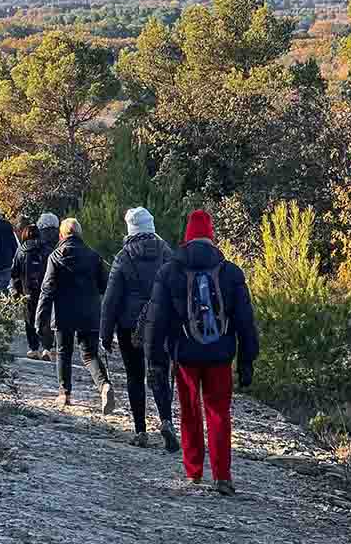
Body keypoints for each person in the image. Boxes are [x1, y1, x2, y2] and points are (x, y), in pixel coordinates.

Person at [145, 210, 259, 495]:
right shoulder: (231, 272)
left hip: (184, 354)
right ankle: (222, 476)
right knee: (219, 412)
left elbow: (156, 319)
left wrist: (155, 359)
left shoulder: (169, 271)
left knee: (190, 411)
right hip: (220, 354)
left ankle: (194, 471)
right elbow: (245, 320)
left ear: (186, 235)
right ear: (211, 235)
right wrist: (247, 359)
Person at [101, 207, 179, 451]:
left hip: (129, 326)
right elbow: (177, 289)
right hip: (160, 323)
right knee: (159, 372)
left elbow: (111, 299)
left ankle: (140, 431)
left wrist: (105, 333)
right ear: (151, 226)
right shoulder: (166, 253)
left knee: (134, 376)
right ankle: (166, 420)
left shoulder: (124, 257)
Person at [36, 218, 115, 414]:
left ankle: (65, 394)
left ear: (61, 235)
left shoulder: (55, 257)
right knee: (90, 355)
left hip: (64, 313)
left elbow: (47, 290)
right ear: (80, 234)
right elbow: (105, 285)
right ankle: (104, 385)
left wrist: (41, 318)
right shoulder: (94, 256)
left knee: (64, 352)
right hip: (90, 312)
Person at [11, 224, 54, 361]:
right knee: (45, 318)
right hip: (45, 290)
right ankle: (47, 348)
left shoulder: (21, 251)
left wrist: (17, 291)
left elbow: (14, 272)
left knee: (29, 319)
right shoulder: (47, 250)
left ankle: (33, 348)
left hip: (27, 291)